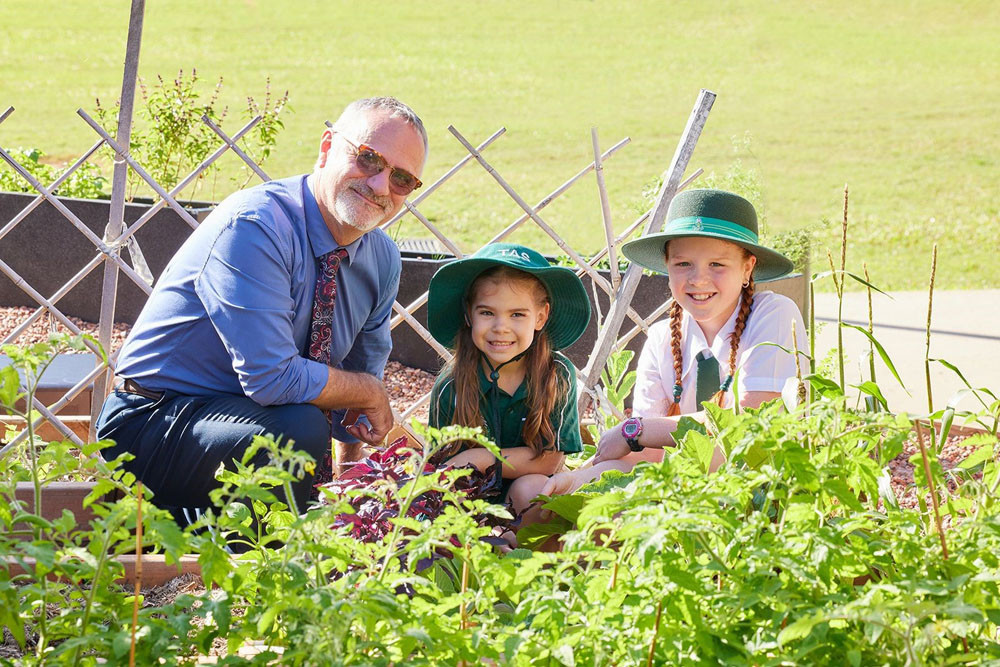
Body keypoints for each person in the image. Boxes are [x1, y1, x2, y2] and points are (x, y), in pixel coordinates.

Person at [96, 97, 427, 520]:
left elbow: (356, 395)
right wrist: (367, 391)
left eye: (401, 178)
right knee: (298, 432)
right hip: (152, 423)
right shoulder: (256, 225)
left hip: (247, 424)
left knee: (302, 435)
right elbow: (272, 379)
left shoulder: (381, 259)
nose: (380, 186)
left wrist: (348, 490)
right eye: (367, 159)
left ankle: (255, 532)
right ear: (327, 147)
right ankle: (191, 541)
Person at [541, 188, 807, 497]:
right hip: (683, 495)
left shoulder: (773, 315)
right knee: (565, 499)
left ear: (747, 268)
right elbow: (646, 457)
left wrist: (636, 430)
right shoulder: (662, 337)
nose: (698, 279)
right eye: (683, 264)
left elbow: (750, 425)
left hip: (760, 498)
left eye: (717, 265)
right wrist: (579, 480)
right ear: (667, 266)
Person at [424, 243, 592, 510]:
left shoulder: (556, 375)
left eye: (517, 315)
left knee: (533, 489)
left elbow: (548, 461)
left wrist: (482, 457)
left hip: (531, 498)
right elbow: (443, 469)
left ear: (540, 317)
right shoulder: (451, 385)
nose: (501, 328)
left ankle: (527, 548)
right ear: (469, 314)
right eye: (487, 313)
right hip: (469, 500)